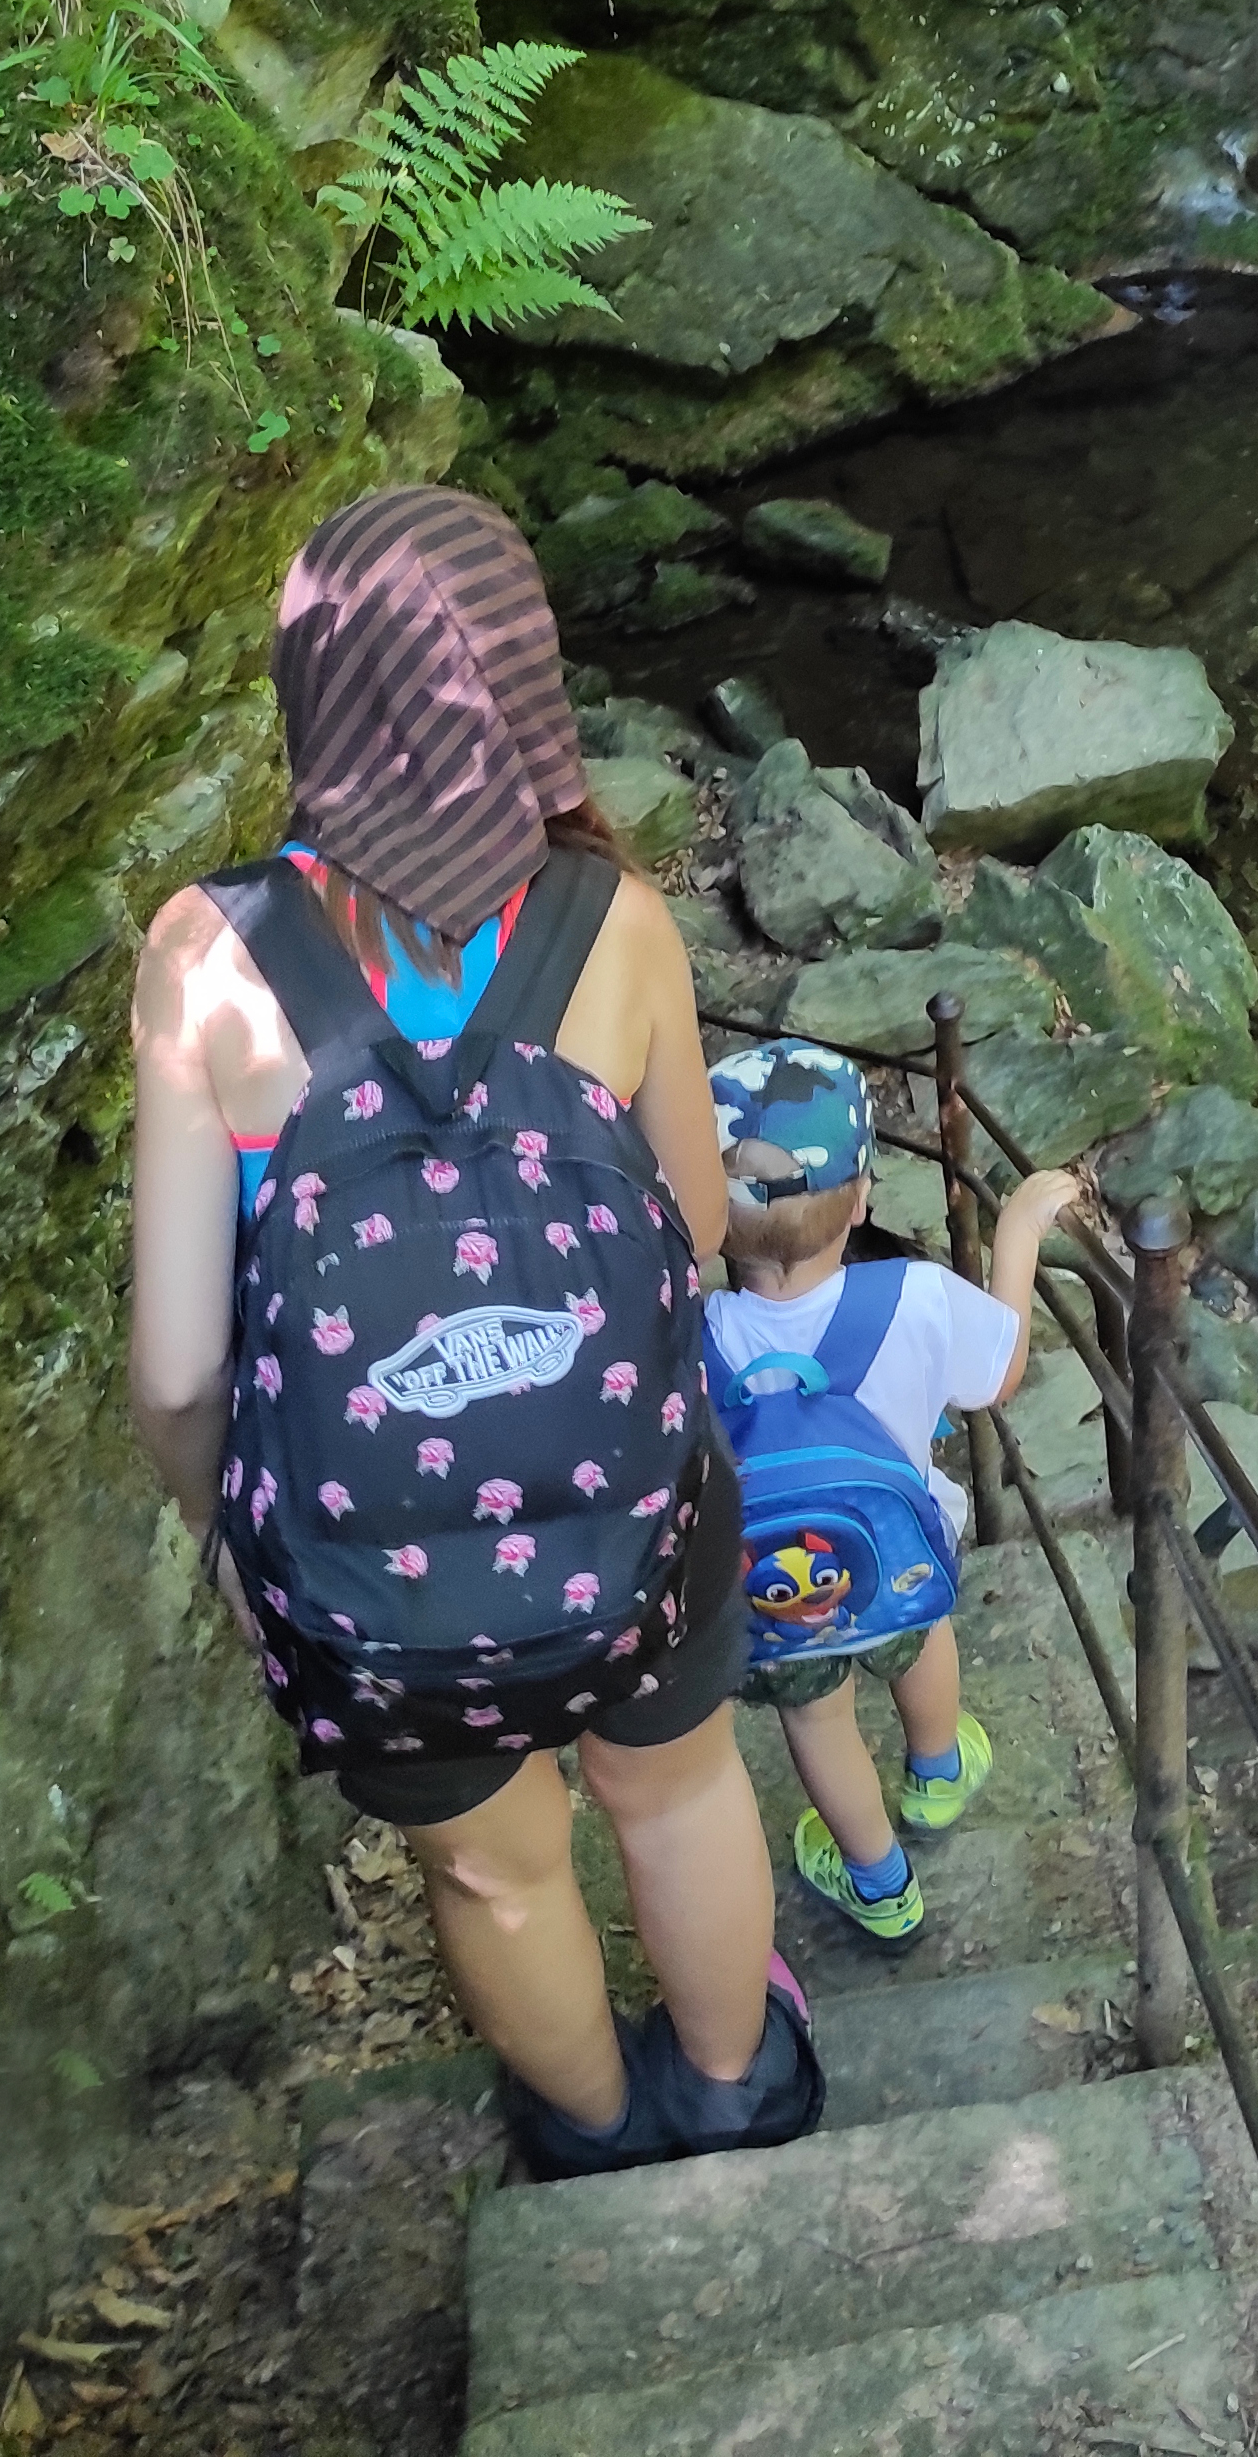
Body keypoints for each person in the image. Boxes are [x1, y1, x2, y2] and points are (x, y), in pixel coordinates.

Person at [123, 484, 815, 2177]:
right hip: (640, 1513)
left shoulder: (203, 957)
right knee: (677, 1788)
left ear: (311, 694)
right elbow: (698, 1232)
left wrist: (233, 1541)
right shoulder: (620, 925)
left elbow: (178, 1367)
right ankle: (734, 2084)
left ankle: (587, 2127)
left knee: (494, 1863)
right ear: (524, 687)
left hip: (375, 1576)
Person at [701, 1036, 1073, 1943]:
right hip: (901, 1549)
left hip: (771, 1585)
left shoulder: (691, 1327)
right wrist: (1016, 1232)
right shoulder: (913, 1296)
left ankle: (879, 1883)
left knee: (818, 1720)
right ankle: (938, 1775)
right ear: (863, 1194)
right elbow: (998, 1375)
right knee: (920, 1631)